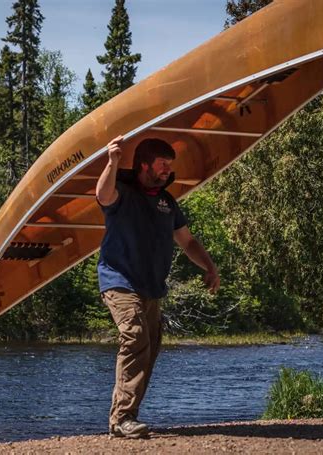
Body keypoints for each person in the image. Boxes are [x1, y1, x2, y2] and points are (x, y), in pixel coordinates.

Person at [96, 135, 220, 439]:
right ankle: (121, 418)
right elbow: (102, 194)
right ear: (144, 164)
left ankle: (125, 418)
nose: (168, 170)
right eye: (163, 164)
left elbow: (187, 240)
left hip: (151, 287)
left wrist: (209, 266)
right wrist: (112, 161)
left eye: (169, 165)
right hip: (119, 280)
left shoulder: (167, 201)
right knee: (135, 334)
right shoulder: (122, 192)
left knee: (150, 345)